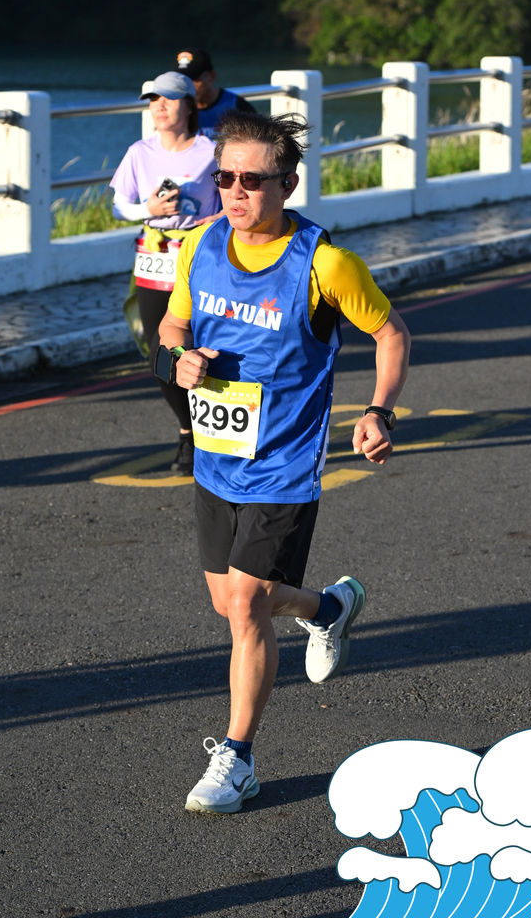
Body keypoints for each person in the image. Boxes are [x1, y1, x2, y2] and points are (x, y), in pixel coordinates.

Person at [158, 109, 411, 814]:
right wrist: (178, 358)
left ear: (287, 184)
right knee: (235, 603)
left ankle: (236, 759)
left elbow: (391, 334)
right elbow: (174, 323)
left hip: (285, 465)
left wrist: (378, 411)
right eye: (224, 179)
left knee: (245, 604)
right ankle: (328, 608)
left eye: (252, 181)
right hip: (217, 459)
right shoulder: (201, 243)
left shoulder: (324, 264)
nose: (235, 192)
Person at [109, 72, 221, 474]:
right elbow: (119, 206)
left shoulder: (212, 150)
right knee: (159, 350)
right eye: (152, 99)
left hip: (199, 256)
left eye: (168, 99)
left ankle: (209, 432)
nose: (158, 106)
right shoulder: (139, 152)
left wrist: (214, 220)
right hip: (155, 256)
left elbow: (233, 199)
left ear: (189, 105)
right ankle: (188, 428)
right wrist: (149, 210)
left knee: (201, 346)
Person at [173, 48, 257, 136]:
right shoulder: (174, 110)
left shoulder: (238, 107)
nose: (187, 86)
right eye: (182, 80)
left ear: (212, 76)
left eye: (194, 79)